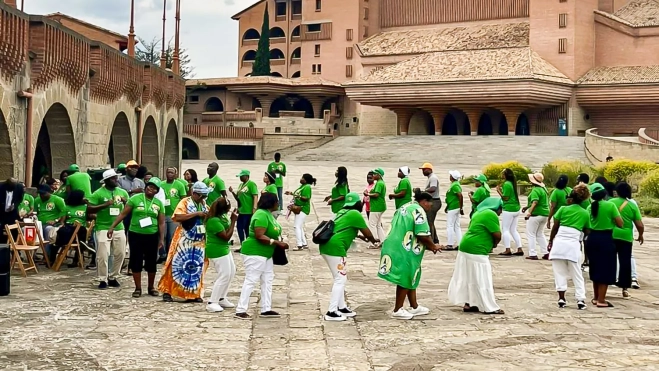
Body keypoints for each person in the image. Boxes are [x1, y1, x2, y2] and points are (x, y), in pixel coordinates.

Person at [378, 190, 442, 320]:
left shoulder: (407, 206)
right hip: (403, 247)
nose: (431, 207)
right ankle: (398, 309)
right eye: (430, 205)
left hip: (394, 243)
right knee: (406, 275)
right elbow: (422, 234)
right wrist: (433, 246)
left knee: (410, 274)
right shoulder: (418, 210)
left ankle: (414, 306)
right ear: (424, 202)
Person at [320, 192, 378, 321]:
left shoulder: (342, 212)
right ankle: (331, 311)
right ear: (358, 204)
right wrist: (374, 241)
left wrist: (359, 236)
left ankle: (342, 307)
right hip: (335, 248)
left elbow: (344, 228)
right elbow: (368, 232)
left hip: (327, 245)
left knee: (338, 278)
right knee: (340, 279)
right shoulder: (355, 214)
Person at [108, 177, 165, 298]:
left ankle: (151, 287)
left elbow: (161, 222)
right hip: (136, 235)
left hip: (152, 235)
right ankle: (138, 288)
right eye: (149, 186)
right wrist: (112, 226)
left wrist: (161, 238)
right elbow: (123, 214)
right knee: (136, 261)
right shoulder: (134, 199)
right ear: (146, 187)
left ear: (157, 191)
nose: (151, 189)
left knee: (151, 262)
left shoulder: (159, 203)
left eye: (154, 188)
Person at [235, 193, 289, 319]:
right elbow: (260, 235)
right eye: (277, 201)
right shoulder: (261, 215)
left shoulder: (268, 214)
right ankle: (240, 309)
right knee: (251, 279)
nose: (278, 203)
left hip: (266, 254)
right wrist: (276, 242)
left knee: (267, 279)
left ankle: (266, 308)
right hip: (255, 252)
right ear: (271, 203)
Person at [448, 197, 505, 315]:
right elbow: (497, 234)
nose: (501, 212)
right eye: (500, 209)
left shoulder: (478, 212)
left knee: (469, 276)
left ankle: (469, 303)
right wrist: (494, 244)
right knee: (482, 277)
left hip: (466, 246)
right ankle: (489, 306)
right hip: (477, 249)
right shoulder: (490, 214)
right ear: (495, 207)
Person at [159, 182, 210, 303]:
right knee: (176, 264)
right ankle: (167, 291)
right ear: (195, 194)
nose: (204, 198)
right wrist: (196, 214)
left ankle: (193, 294)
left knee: (196, 266)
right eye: (202, 195)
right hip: (184, 238)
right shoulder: (185, 202)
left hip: (198, 239)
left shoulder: (203, 204)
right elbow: (177, 217)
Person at [548, 184, 590, 310]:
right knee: (576, 273)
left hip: (559, 242)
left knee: (559, 272)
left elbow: (555, 227)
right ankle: (580, 299)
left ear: (570, 198)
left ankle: (561, 298)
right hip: (573, 244)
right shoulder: (585, 213)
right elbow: (588, 231)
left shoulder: (562, 210)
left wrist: (550, 241)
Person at [87, 169, 129, 289]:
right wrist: (104, 205)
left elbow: (129, 208)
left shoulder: (122, 192)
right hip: (103, 227)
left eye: (116, 178)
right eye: (113, 178)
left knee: (120, 253)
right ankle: (102, 278)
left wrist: (126, 202)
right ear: (106, 181)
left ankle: (113, 276)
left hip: (119, 227)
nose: (116, 180)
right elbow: (89, 209)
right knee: (103, 255)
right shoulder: (98, 193)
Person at [585, 183, 623, 308]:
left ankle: (596, 297)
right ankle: (602, 300)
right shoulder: (610, 205)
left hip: (592, 239)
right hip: (606, 238)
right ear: (604, 195)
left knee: (595, 267)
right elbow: (620, 223)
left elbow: (587, 224)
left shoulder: (590, 207)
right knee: (606, 268)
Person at [610, 182, 644, 299]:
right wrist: (641, 235)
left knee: (610, 259)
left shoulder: (610, 203)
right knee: (625, 261)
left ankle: (608, 281)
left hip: (612, 235)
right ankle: (624, 288)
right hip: (626, 237)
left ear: (617, 192)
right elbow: (639, 224)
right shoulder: (632, 205)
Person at [205, 197, 239, 313]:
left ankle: (222, 297)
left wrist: (231, 217)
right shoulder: (214, 221)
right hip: (217, 249)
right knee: (224, 275)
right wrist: (234, 221)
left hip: (224, 248)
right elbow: (226, 237)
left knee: (232, 272)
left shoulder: (222, 216)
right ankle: (212, 302)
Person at [160, 167, 188, 263]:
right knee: (163, 235)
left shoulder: (179, 185)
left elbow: (183, 199)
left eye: (172, 172)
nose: (169, 174)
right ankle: (162, 254)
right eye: (168, 172)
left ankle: (171, 254)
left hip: (174, 215)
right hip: (163, 214)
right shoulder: (161, 184)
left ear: (176, 174)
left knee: (171, 236)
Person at [54, 190, 88, 268]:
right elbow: (62, 221)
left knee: (82, 231)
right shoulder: (67, 207)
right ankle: (52, 257)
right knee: (61, 232)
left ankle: (76, 259)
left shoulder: (85, 207)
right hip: (69, 227)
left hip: (80, 228)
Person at [34, 184, 66, 260]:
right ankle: (32, 255)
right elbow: (35, 212)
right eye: (40, 194)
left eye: (43, 194)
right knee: (27, 230)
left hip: (52, 224)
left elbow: (63, 212)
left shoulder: (57, 199)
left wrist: (57, 221)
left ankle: (47, 255)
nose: (42, 196)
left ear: (49, 192)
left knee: (48, 230)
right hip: (38, 223)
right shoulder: (37, 200)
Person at [523, 172, 550, 260]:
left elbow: (535, 202)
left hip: (536, 214)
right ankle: (546, 252)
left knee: (531, 234)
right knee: (540, 234)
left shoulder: (535, 190)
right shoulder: (544, 189)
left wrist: (529, 212)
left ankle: (533, 253)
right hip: (545, 214)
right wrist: (527, 207)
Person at [497, 168, 522, 256]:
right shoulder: (512, 183)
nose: (502, 175)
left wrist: (498, 191)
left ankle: (507, 249)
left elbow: (505, 198)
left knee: (505, 229)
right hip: (516, 208)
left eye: (503, 174)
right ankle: (519, 248)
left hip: (509, 209)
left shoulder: (507, 184)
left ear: (506, 175)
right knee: (513, 230)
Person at [286, 173, 315, 250]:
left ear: (306, 180)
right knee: (300, 226)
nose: (301, 179)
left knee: (296, 226)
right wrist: (291, 193)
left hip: (303, 208)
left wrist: (297, 196)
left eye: (303, 178)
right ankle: (304, 243)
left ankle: (299, 245)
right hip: (298, 208)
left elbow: (306, 198)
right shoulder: (302, 186)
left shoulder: (307, 187)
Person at [229, 170, 259, 244]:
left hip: (248, 211)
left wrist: (254, 208)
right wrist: (232, 192)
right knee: (239, 227)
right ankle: (242, 243)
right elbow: (238, 198)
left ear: (246, 176)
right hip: (241, 210)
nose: (240, 178)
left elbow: (255, 196)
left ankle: (248, 244)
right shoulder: (241, 185)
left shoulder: (251, 184)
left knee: (246, 228)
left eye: (242, 176)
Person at [117, 160, 145, 236]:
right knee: (124, 231)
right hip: (124, 210)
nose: (135, 170)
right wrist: (132, 191)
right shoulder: (120, 180)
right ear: (126, 169)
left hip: (137, 210)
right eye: (132, 167)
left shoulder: (140, 182)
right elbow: (118, 193)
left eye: (136, 168)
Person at [419, 163, 441, 243]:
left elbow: (433, 188)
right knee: (430, 221)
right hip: (432, 201)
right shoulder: (430, 178)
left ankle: (431, 241)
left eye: (424, 170)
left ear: (430, 170)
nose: (423, 171)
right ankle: (435, 240)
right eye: (422, 170)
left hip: (434, 201)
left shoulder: (433, 178)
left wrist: (423, 192)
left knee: (429, 221)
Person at [364, 168, 386, 249]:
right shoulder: (380, 183)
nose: (373, 175)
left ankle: (375, 242)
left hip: (377, 206)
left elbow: (376, 194)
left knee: (372, 224)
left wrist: (368, 194)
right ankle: (383, 241)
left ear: (378, 175)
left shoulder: (379, 184)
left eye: (374, 174)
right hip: (380, 206)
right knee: (378, 225)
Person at [0, 178, 25, 242]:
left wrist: (15, 205)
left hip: (13, 212)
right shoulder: (1, 187)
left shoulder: (19, 187)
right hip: (2, 212)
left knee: (14, 230)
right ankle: (3, 248)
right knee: (1, 231)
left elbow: (20, 198)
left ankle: (15, 249)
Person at [445, 170, 463, 250]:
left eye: (450, 175)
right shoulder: (455, 184)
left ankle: (450, 244)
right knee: (456, 226)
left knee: (450, 225)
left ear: (452, 177)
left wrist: (461, 207)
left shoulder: (455, 185)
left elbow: (460, 196)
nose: (449, 176)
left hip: (454, 207)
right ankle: (460, 244)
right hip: (454, 206)